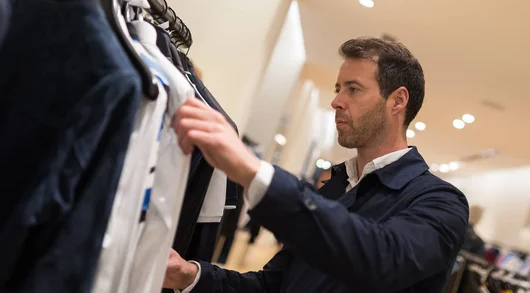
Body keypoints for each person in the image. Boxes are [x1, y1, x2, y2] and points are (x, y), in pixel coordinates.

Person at [165, 37, 469, 293]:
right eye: (338, 88)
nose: (336, 101)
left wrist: (257, 172)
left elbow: (382, 260)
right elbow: (274, 285)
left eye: (353, 88)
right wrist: (192, 275)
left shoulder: (441, 202)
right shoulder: (337, 187)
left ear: (398, 100)